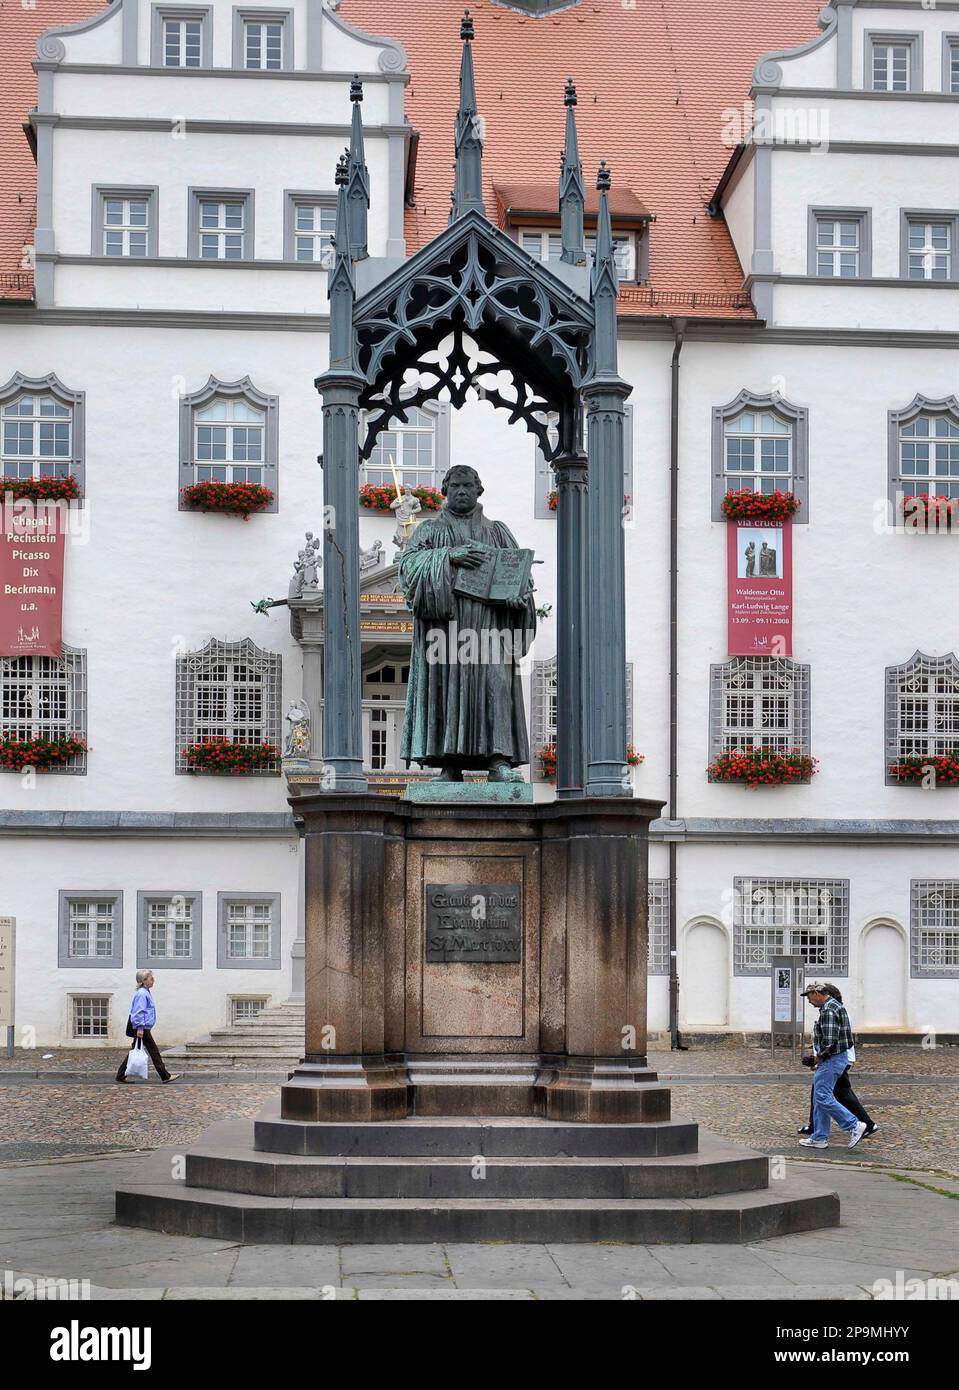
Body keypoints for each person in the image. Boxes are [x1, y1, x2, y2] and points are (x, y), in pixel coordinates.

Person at [398, 465, 536, 782]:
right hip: (445, 627)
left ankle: (498, 759)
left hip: (490, 628)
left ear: (478, 490)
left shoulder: (498, 531)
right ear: (445, 491)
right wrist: (448, 556)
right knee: (446, 690)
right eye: (456, 486)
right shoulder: (429, 531)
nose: (462, 491)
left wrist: (518, 600)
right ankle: (449, 764)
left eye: (468, 486)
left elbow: (521, 577)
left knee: (495, 687)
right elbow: (407, 570)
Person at [798, 984, 877, 1138]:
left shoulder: (829, 1010)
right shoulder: (834, 1009)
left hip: (833, 1060)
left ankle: (857, 1124)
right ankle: (818, 1134)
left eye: (809, 997)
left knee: (826, 1095)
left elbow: (829, 1042)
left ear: (817, 993)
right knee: (822, 1094)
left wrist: (815, 1059)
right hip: (835, 1059)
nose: (808, 1001)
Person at [116, 970, 178, 1084]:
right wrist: (140, 1028)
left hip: (143, 1027)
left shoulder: (145, 992)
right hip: (142, 1028)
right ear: (144, 981)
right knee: (154, 1051)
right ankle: (165, 1076)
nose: (153, 980)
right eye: (150, 978)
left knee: (135, 1050)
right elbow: (139, 1011)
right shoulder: (142, 994)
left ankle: (120, 1075)